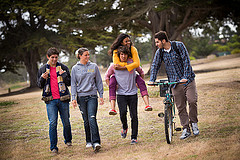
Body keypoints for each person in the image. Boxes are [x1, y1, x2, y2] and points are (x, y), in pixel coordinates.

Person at [149, 31, 199, 139]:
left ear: (163, 41)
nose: (156, 44)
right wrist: (152, 80)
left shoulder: (178, 46)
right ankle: (186, 129)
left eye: (157, 42)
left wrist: (185, 77)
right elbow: (155, 65)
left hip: (188, 80)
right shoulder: (160, 52)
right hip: (175, 83)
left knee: (192, 101)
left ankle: (194, 123)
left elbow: (186, 61)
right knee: (180, 107)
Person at [37, 47, 72, 154]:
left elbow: (69, 82)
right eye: (52, 57)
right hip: (50, 100)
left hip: (63, 99)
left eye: (56, 57)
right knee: (52, 123)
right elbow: (39, 85)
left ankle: (68, 140)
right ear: (48, 57)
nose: (54, 59)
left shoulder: (63, 67)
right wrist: (42, 78)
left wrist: (64, 74)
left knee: (66, 122)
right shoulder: (43, 69)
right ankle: (53, 147)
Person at [107, 33, 152, 115]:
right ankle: (112, 108)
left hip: (132, 77)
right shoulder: (116, 51)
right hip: (120, 83)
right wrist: (130, 65)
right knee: (112, 83)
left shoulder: (133, 49)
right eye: (126, 41)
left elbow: (137, 64)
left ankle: (147, 104)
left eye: (129, 41)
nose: (128, 42)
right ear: (121, 42)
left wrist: (124, 67)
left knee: (140, 81)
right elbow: (116, 64)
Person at [71, 48, 104, 152]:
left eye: (88, 55)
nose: (88, 57)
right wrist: (73, 98)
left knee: (92, 118)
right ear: (80, 56)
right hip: (81, 97)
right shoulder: (75, 69)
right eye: (85, 55)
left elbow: (99, 82)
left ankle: (96, 142)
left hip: (92, 96)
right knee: (86, 121)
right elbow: (73, 85)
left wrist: (101, 95)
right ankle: (88, 141)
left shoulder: (94, 66)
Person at [112, 46, 139, 144]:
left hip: (132, 93)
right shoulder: (115, 66)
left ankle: (134, 137)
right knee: (123, 113)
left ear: (128, 55)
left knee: (134, 115)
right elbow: (107, 76)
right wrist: (112, 85)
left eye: (125, 54)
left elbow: (141, 72)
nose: (123, 56)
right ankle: (125, 126)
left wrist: (139, 82)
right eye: (121, 54)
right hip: (121, 94)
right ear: (119, 55)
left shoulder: (132, 64)